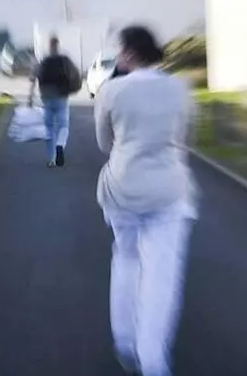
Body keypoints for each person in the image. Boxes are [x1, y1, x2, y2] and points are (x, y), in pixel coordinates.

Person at [95, 25, 197, 376]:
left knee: (125, 259)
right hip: (168, 191)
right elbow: (185, 140)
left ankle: (124, 339)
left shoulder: (110, 91)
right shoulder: (181, 90)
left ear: (128, 53)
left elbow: (103, 143)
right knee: (160, 278)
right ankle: (152, 360)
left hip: (122, 190)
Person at [30, 35, 81, 167]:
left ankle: (51, 159)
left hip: (46, 98)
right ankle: (60, 145)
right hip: (61, 97)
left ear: (49, 45)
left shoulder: (44, 61)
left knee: (49, 128)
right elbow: (75, 75)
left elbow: (33, 77)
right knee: (63, 126)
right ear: (58, 45)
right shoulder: (65, 60)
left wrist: (30, 96)